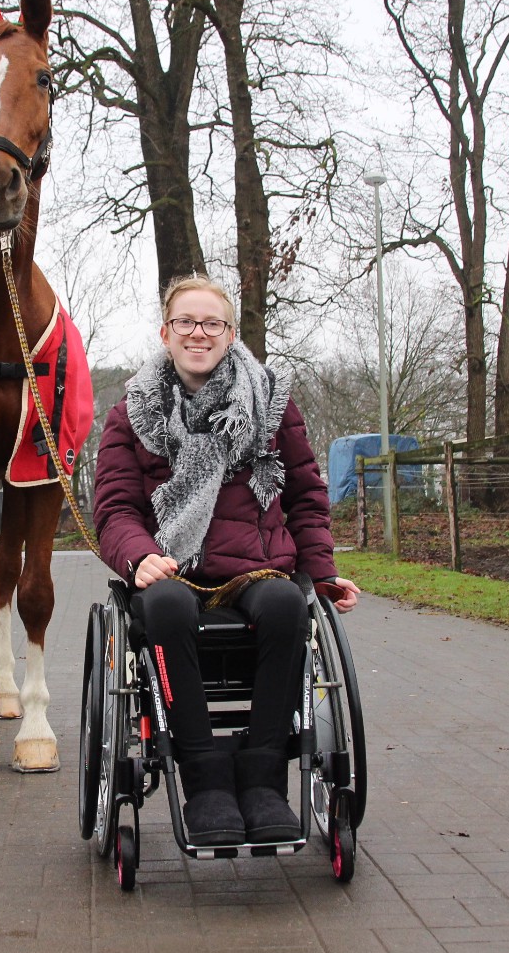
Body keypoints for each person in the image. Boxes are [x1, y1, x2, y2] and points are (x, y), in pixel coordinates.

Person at [92, 274, 362, 847]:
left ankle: (263, 782)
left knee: (289, 605)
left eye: (211, 322)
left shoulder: (272, 405)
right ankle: (207, 783)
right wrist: (139, 557)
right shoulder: (129, 415)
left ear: (230, 333)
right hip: (172, 569)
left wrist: (323, 573)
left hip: (256, 568)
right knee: (162, 607)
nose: (198, 333)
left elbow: (306, 498)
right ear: (165, 333)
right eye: (186, 322)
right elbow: (115, 508)